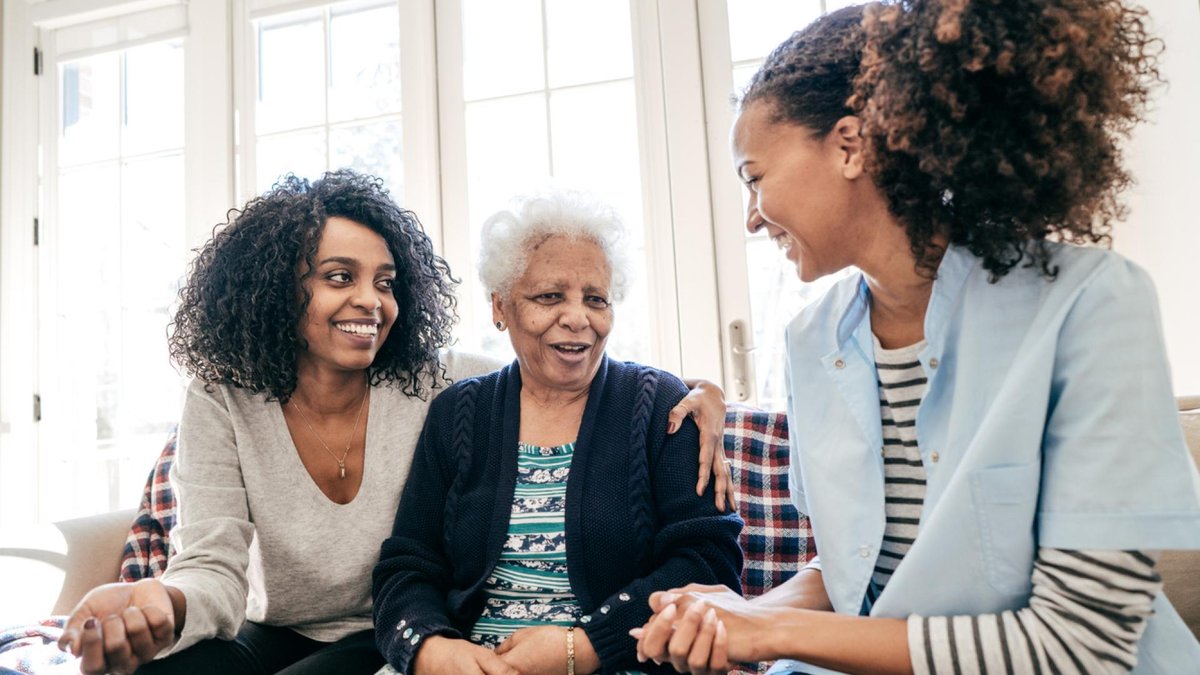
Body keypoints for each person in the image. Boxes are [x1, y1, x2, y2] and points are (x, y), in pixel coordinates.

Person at [634, 2, 1200, 674]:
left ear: (849, 145)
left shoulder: (1091, 304)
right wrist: (739, 613)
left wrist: (774, 631)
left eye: (754, 179)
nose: (753, 218)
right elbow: (856, 572)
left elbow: (1081, 644)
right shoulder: (810, 339)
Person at [55, 170, 730, 675]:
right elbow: (215, 568)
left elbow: (561, 368)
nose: (369, 301)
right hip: (288, 626)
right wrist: (162, 601)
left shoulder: (437, 383)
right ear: (276, 288)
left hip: (375, 634)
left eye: (384, 281)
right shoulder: (228, 398)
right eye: (339, 276)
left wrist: (706, 391)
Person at [371, 188, 744, 675]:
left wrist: (585, 647)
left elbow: (709, 563)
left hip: (618, 662)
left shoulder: (660, 407)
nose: (577, 317)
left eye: (596, 299)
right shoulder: (459, 412)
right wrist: (429, 650)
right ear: (500, 307)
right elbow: (409, 564)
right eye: (549, 296)